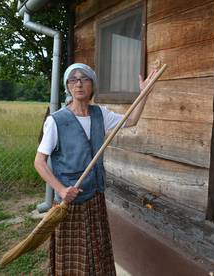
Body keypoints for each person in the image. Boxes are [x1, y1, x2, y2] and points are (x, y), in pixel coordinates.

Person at [34, 63, 156, 275]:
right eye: (73, 79)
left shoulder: (100, 114)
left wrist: (145, 92)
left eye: (85, 79)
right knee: (74, 257)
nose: (79, 83)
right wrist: (61, 190)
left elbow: (132, 120)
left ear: (93, 86)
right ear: (67, 86)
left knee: (97, 252)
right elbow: (39, 162)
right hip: (70, 202)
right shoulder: (56, 121)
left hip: (95, 197)